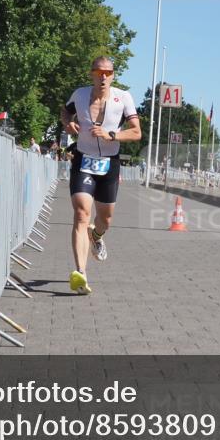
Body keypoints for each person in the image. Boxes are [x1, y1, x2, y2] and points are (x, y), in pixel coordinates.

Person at [60, 56, 141, 294]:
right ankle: (80, 274)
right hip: (83, 160)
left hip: (109, 164)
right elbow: (65, 112)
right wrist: (68, 124)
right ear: (91, 74)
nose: (103, 77)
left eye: (108, 72)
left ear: (113, 75)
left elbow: (136, 132)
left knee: (105, 219)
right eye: (99, 72)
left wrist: (111, 135)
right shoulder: (80, 95)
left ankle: (96, 236)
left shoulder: (123, 98)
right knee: (81, 212)